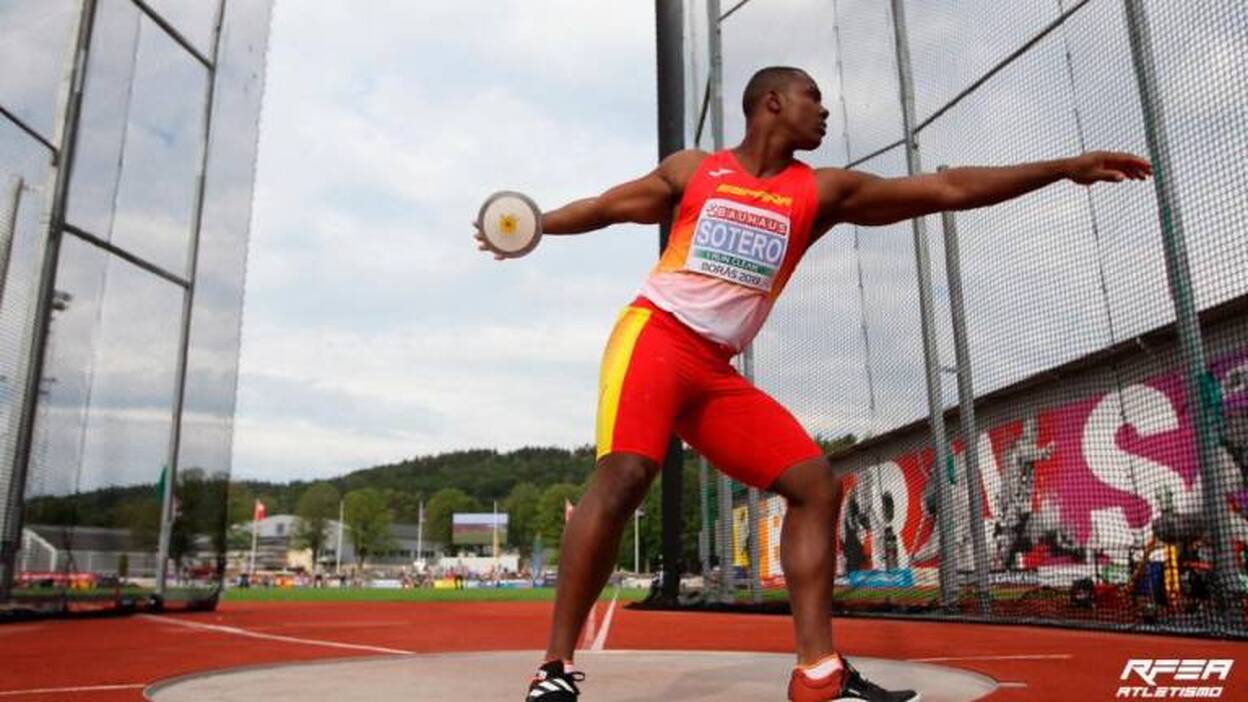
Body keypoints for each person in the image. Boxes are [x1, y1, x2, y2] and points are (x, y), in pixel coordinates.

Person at [479, 66, 1151, 702]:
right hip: (654, 338)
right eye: (812, 96)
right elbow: (607, 206)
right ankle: (556, 669)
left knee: (813, 485)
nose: (824, 110)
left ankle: (820, 675)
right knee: (626, 475)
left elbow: (945, 190)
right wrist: (534, 226)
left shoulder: (821, 191)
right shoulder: (696, 170)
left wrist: (1061, 169)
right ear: (772, 102)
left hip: (713, 370)